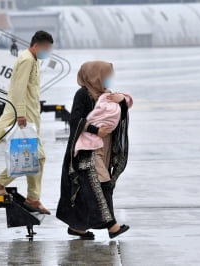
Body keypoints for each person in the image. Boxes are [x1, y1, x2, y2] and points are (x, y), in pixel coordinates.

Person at [0, 30, 53, 215]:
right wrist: (21, 114)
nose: (47, 52)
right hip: (22, 116)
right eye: (45, 48)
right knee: (34, 157)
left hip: (30, 116)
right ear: (36, 45)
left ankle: (30, 197)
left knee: (32, 157)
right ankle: (11, 189)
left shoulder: (34, 59)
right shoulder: (27, 59)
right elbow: (18, 89)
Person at [56, 61, 132, 239]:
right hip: (88, 149)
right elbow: (75, 119)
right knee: (101, 184)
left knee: (88, 189)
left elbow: (119, 115)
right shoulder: (83, 94)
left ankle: (78, 228)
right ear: (95, 76)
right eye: (105, 75)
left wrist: (121, 102)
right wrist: (95, 130)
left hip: (105, 146)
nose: (108, 79)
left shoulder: (107, 94)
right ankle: (111, 226)